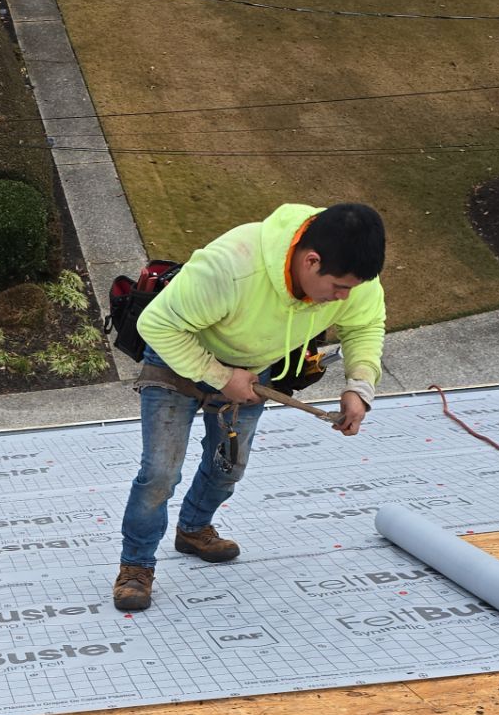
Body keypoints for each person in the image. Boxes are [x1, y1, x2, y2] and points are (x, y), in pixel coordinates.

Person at [113, 202, 387, 612]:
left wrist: (359, 385)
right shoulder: (232, 265)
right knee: (159, 473)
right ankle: (135, 566)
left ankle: (192, 528)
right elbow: (156, 325)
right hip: (176, 361)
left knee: (228, 469)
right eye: (339, 288)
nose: (344, 298)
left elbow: (364, 325)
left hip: (251, 373)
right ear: (311, 261)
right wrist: (222, 377)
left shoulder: (352, 274)